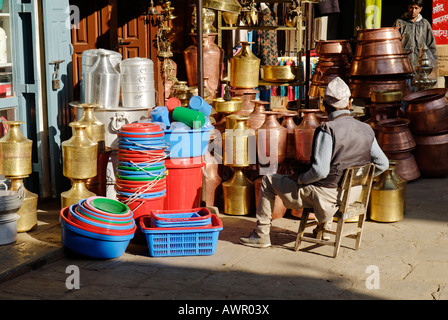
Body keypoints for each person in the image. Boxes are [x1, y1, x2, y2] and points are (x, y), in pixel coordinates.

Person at [239, 77, 389, 248]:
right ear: (350, 104)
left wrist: (300, 179)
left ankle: (261, 235)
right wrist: (359, 180)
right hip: (353, 193)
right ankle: (323, 230)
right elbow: (382, 164)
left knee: (268, 181)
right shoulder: (366, 128)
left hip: (327, 196)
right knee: (324, 178)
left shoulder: (328, 130)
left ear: (324, 105)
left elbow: (320, 172)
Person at [393, 0, 438, 70]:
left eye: (416, 8)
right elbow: (393, 44)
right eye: (411, 7)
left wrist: (434, 63)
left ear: (420, 9)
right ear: (408, 8)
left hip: (420, 64)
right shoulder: (400, 22)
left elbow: (431, 45)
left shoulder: (425, 24)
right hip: (403, 64)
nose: (413, 11)